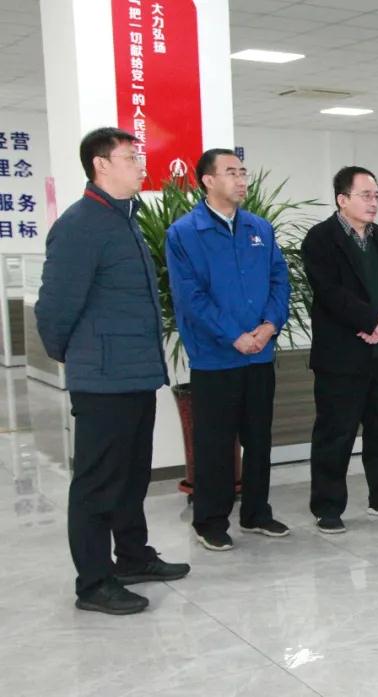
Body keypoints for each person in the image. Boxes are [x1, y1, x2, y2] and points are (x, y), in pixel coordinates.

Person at [36, 127, 189, 615]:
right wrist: (79, 356)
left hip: (136, 374)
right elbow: (54, 308)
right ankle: (94, 582)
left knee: (131, 476)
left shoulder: (122, 219)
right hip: (103, 379)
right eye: (130, 158)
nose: (140, 165)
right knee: (97, 484)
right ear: (101, 165)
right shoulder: (80, 225)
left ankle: (133, 557)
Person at [166, 148, 291, 551]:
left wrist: (269, 326)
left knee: (259, 439)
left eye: (243, 172)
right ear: (207, 180)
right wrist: (234, 336)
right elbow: (190, 296)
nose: (241, 180)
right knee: (215, 444)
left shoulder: (260, 228)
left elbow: (280, 281)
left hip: (260, 353)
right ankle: (210, 520)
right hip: (215, 357)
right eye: (231, 173)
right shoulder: (185, 233)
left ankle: (256, 513)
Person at [301, 166, 378, 534]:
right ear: (342, 199)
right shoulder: (320, 239)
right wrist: (371, 322)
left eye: (377, 195)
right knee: (335, 434)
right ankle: (327, 506)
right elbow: (330, 292)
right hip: (341, 357)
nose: (373, 202)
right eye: (366, 195)